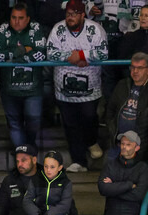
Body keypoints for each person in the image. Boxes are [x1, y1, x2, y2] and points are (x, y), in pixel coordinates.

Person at [46, 0, 109, 172]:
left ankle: (91, 141)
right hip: (64, 90)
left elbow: (103, 53)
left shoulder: (95, 29)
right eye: (68, 14)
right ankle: (79, 161)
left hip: (90, 89)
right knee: (70, 125)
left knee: (89, 117)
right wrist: (70, 57)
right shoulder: (58, 29)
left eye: (74, 14)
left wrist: (82, 55)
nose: (70, 17)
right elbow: (50, 52)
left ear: (83, 15)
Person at [0, 4, 47, 150]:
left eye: (21, 18)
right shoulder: (3, 29)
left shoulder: (36, 28)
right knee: (14, 123)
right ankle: (22, 153)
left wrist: (11, 55)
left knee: (33, 119)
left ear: (28, 19)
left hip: (33, 89)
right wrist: (23, 50)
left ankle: (28, 148)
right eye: (14, 18)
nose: (17, 21)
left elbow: (41, 54)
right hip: (9, 89)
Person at [104, 52, 148, 162]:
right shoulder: (122, 85)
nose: (135, 71)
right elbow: (110, 109)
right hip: (118, 141)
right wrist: (112, 128)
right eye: (133, 67)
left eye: (140, 68)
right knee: (107, 174)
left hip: (139, 145)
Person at [115, 5, 148, 88]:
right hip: (134, 81)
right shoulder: (131, 36)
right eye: (141, 15)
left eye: (146, 16)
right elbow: (123, 57)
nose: (143, 18)